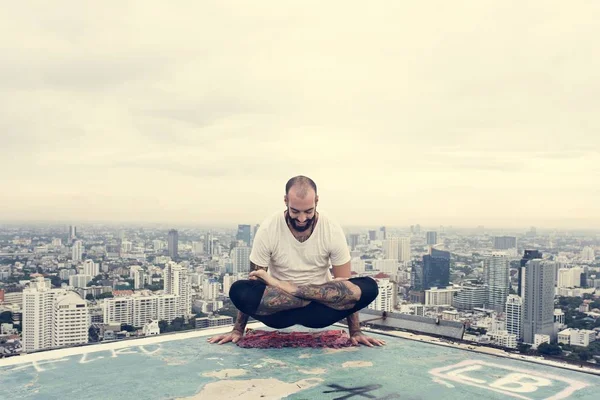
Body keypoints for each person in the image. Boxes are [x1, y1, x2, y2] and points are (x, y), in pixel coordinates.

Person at [208, 175, 385, 347]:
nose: (301, 219)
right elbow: (254, 281)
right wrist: (238, 330)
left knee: (369, 286)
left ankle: (292, 288)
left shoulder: (331, 228)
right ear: (286, 201)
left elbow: (345, 287)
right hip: (279, 311)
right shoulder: (269, 228)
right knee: (239, 290)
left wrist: (355, 331)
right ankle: (293, 291)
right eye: (295, 211)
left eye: (308, 211)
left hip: (320, 311)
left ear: (317, 201)